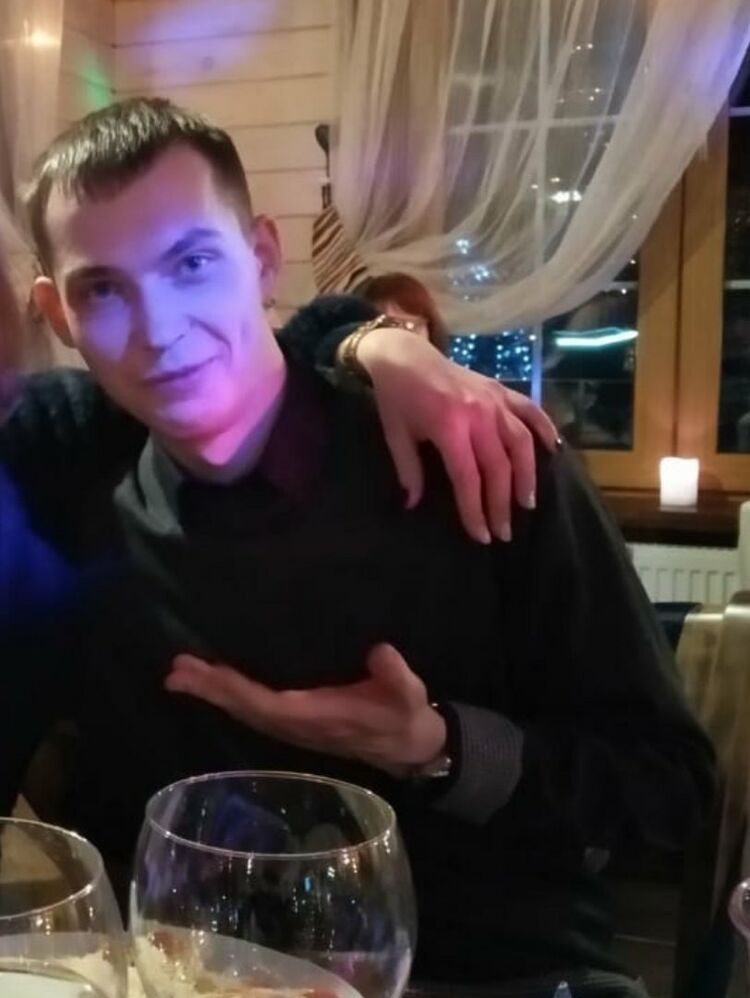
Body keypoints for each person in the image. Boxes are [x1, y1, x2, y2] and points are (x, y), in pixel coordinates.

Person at [5, 98, 713, 996]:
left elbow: (670, 790)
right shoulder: (65, 470)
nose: (159, 329)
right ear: (57, 313)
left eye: (193, 264)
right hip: (190, 975)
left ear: (264, 259)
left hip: (490, 973)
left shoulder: (477, 459)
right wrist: (360, 336)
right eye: (103, 290)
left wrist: (441, 747)